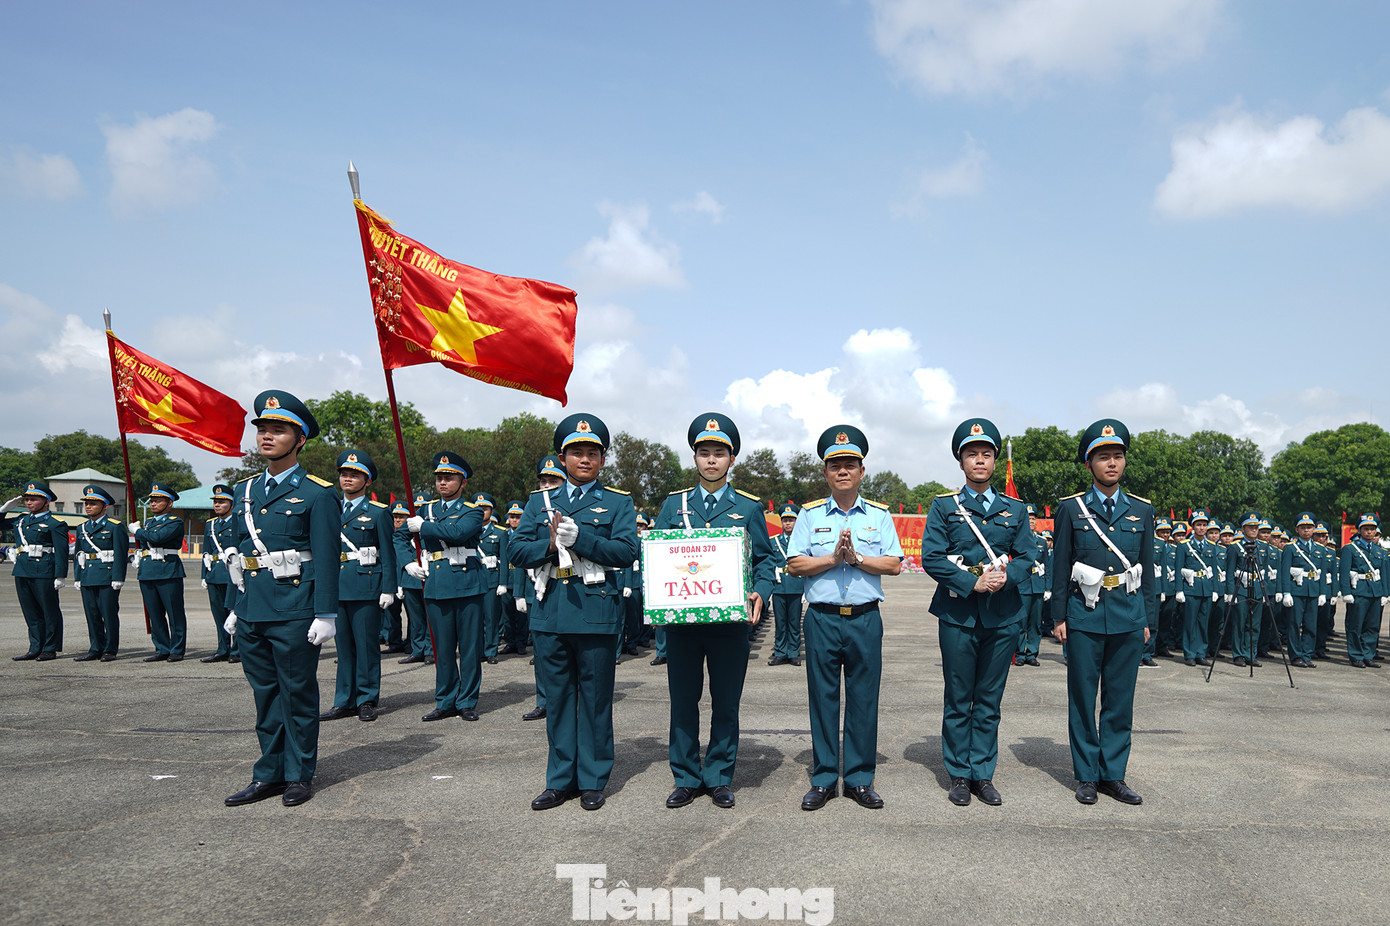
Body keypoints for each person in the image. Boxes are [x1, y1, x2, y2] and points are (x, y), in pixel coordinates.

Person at [510, 415, 638, 811]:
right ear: (562, 458)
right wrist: (548, 546)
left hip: (596, 610)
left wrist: (585, 538)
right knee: (558, 700)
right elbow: (515, 551)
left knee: (596, 699)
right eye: (576, 452)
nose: (584, 459)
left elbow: (626, 552)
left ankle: (593, 779)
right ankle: (559, 779)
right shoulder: (539, 502)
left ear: (602, 459)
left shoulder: (618, 502)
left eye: (592, 453)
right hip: (551, 610)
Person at [652, 413, 776, 810]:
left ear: (732, 459)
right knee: (683, 701)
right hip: (683, 624)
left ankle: (719, 776)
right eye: (704, 453)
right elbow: (657, 558)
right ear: (694, 458)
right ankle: (686, 777)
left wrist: (759, 593)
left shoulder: (749, 507)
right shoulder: (675, 505)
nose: (711, 460)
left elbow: (765, 562)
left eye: (719, 453)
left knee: (726, 702)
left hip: (729, 625)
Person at [223, 390, 340, 807]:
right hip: (254, 606)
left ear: (300, 438)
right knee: (265, 694)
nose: (267, 436)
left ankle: (299, 774)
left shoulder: (318, 492)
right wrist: (237, 607)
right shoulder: (245, 491)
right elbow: (242, 553)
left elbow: (327, 558)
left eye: (278, 429)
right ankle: (269, 772)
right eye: (262, 429)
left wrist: (326, 613)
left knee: (297, 692)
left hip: (295, 607)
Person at [786, 424, 903, 811]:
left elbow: (893, 563)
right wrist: (833, 559)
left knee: (864, 700)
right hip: (821, 617)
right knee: (823, 699)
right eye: (835, 465)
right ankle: (823, 779)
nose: (842, 471)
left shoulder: (879, 516)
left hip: (865, 618)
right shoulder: (809, 515)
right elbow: (795, 564)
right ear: (825, 472)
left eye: (850, 464)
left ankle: (858, 779)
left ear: (862, 471)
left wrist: (858, 559)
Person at [920, 418, 1035, 807]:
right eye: (972, 454)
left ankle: (983, 773)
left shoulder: (1015, 509)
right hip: (958, 615)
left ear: (995, 461)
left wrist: (1007, 577)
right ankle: (958, 775)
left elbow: (1030, 556)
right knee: (958, 697)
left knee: (989, 699)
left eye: (986, 454)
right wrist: (973, 583)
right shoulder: (944, 506)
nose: (980, 460)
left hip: (1003, 616)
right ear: (961, 461)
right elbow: (931, 557)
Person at [1050, 419, 1155, 806]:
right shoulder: (1071, 509)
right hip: (1084, 614)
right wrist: (1058, 618)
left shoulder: (1142, 511)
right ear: (1089, 463)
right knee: (1082, 697)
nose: (1112, 463)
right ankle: (1087, 776)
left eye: (1118, 456)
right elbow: (1060, 566)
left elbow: (1148, 571)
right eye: (1103, 457)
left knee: (1119, 700)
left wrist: (1148, 620)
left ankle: (1114, 774)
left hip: (1128, 616)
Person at [405, 453, 487, 721]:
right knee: (442, 648)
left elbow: (458, 533)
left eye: (449, 478)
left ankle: (467, 701)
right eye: (439, 478)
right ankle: (445, 700)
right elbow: (398, 536)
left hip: (467, 584)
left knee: (470, 648)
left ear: (462, 482)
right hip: (438, 585)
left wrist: (424, 527)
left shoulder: (472, 511)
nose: (442, 482)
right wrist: (407, 562)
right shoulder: (425, 510)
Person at [320, 450, 397, 724]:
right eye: (344, 474)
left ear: (367, 482)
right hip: (336, 587)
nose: (348, 479)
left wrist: (389, 587)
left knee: (366, 646)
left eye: (355, 475)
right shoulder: (328, 508)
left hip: (366, 586)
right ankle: (344, 700)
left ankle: (366, 698)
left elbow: (388, 553)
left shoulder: (377, 513)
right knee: (343, 648)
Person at [520, 456, 569, 721]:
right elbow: (520, 547)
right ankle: (544, 700)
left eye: (553, 480)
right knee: (542, 650)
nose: (547, 485)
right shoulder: (534, 506)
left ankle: (564, 699)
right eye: (543, 480)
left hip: (571, 581)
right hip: (541, 583)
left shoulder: (569, 505)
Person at [130, 483, 189, 662]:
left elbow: (157, 538)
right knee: (154, 614)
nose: (153, 503)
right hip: (148, 571)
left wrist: (137, 531)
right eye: (151, 500)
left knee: (174, 613)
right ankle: (162, 648)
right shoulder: (149, 523)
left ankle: (177, 649)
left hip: (168, 570)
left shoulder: (175, 522)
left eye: (158, 500)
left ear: (169, 503)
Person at [73, 485, 129, 662]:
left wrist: (119, 577)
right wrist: (77, 577)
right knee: (92, 614)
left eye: (93, 503)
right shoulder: (82, 528)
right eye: (87, 503)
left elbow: (121, 553)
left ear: (105, 506)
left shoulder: (115, 526)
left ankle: (110, 649)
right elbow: (78, 555)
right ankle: (96, 647)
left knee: (108, 614)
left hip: (107, 576)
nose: (88, 506)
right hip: (88, 575)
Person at [199, 484, 239, 663]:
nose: (217, 505)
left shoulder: (238, 521)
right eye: (215, 502)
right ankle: (223, 648)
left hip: (233, 573)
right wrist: (203, 575)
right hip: (214, 574)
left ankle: (237, 650)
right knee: (218, 614)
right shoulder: (211, 525)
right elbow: (206, 553)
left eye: (222, 502)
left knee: (235, 611)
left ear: (231, 503)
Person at [1278, 512, 1322, 669]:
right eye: (1303, 528)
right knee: (1295, 624)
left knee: (1311, 625)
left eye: (1309, 528)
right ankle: (1295, 655)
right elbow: (1284, 572)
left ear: (1314, 529)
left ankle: (1307, 654)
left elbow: (1320, 573)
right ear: (1297, 530)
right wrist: (1286, 592)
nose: (1306, 531)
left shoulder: (1319, 549)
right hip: (1296, 590)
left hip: (1313, 591)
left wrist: (1322, 592)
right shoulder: (1290, 548)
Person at [393, 494, 433, 666]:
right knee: (415, 619)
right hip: (410, 578)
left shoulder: (430, 523)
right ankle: (418, 650)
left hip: (429, 574)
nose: (418, 510)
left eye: (422, 507)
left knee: (430, 617)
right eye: (415, 507)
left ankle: (431, 651)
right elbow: (399, 541)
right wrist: (406, 566)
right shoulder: (409, 526)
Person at [1340, 514, 1384, 668]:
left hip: (1375, 592)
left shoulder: (1380, 551)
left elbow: (1383, 574)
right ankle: (1356, 655)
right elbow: (1344, 572)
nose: (1370, 532)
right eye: (1366, 529)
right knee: (1355, 625)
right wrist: (1346, 592)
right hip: (1358, 591)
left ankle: (1368, 655)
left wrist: (1385, 593)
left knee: (1372, 626)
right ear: (1359, 530)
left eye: (1372, 529)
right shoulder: (1350, 549)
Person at [473, 493, 509, 665]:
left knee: (491, 618)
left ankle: (491, 651)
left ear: (491, 511)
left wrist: (503, 582)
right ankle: (478, 650)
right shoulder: (468, 529)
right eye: (478, 508)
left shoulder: (500, 533)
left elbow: (504, 559)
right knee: (475, 619)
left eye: (485, 508)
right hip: (472, 580)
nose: (482, 511)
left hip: (491, 580)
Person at [768, 503, 805, 667]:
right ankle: (780, 652)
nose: (788, 524)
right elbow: (768, 564)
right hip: (779, 585)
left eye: (791, 520)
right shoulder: (773, 541)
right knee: (780, 623)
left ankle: (793, 653)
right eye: (785, 521)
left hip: (796, 584)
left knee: (795, 623)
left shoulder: (803, 541)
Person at [1014, 503, 1049, 668]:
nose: (1031, 522)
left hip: (1038, 585)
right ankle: (1020, 654)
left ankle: (1032, 654)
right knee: (1021, 622)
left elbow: (1048, 567)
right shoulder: (1017, 540)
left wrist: (1048, 588)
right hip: (1022, 585)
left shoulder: (1042, 541)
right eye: (1028, 519)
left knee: (1035, 623)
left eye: (1034, 519)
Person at [499, 499, 530, 657]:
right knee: (507, 614)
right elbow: (504, 560)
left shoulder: (526, 533)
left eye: (518, 517)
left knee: (521, 614)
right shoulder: (505, 534)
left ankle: (521, 643)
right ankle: (510, 642)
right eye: (512, 517)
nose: (514, 520)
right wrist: (502, 582)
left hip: (522, 578)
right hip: (508, 578)